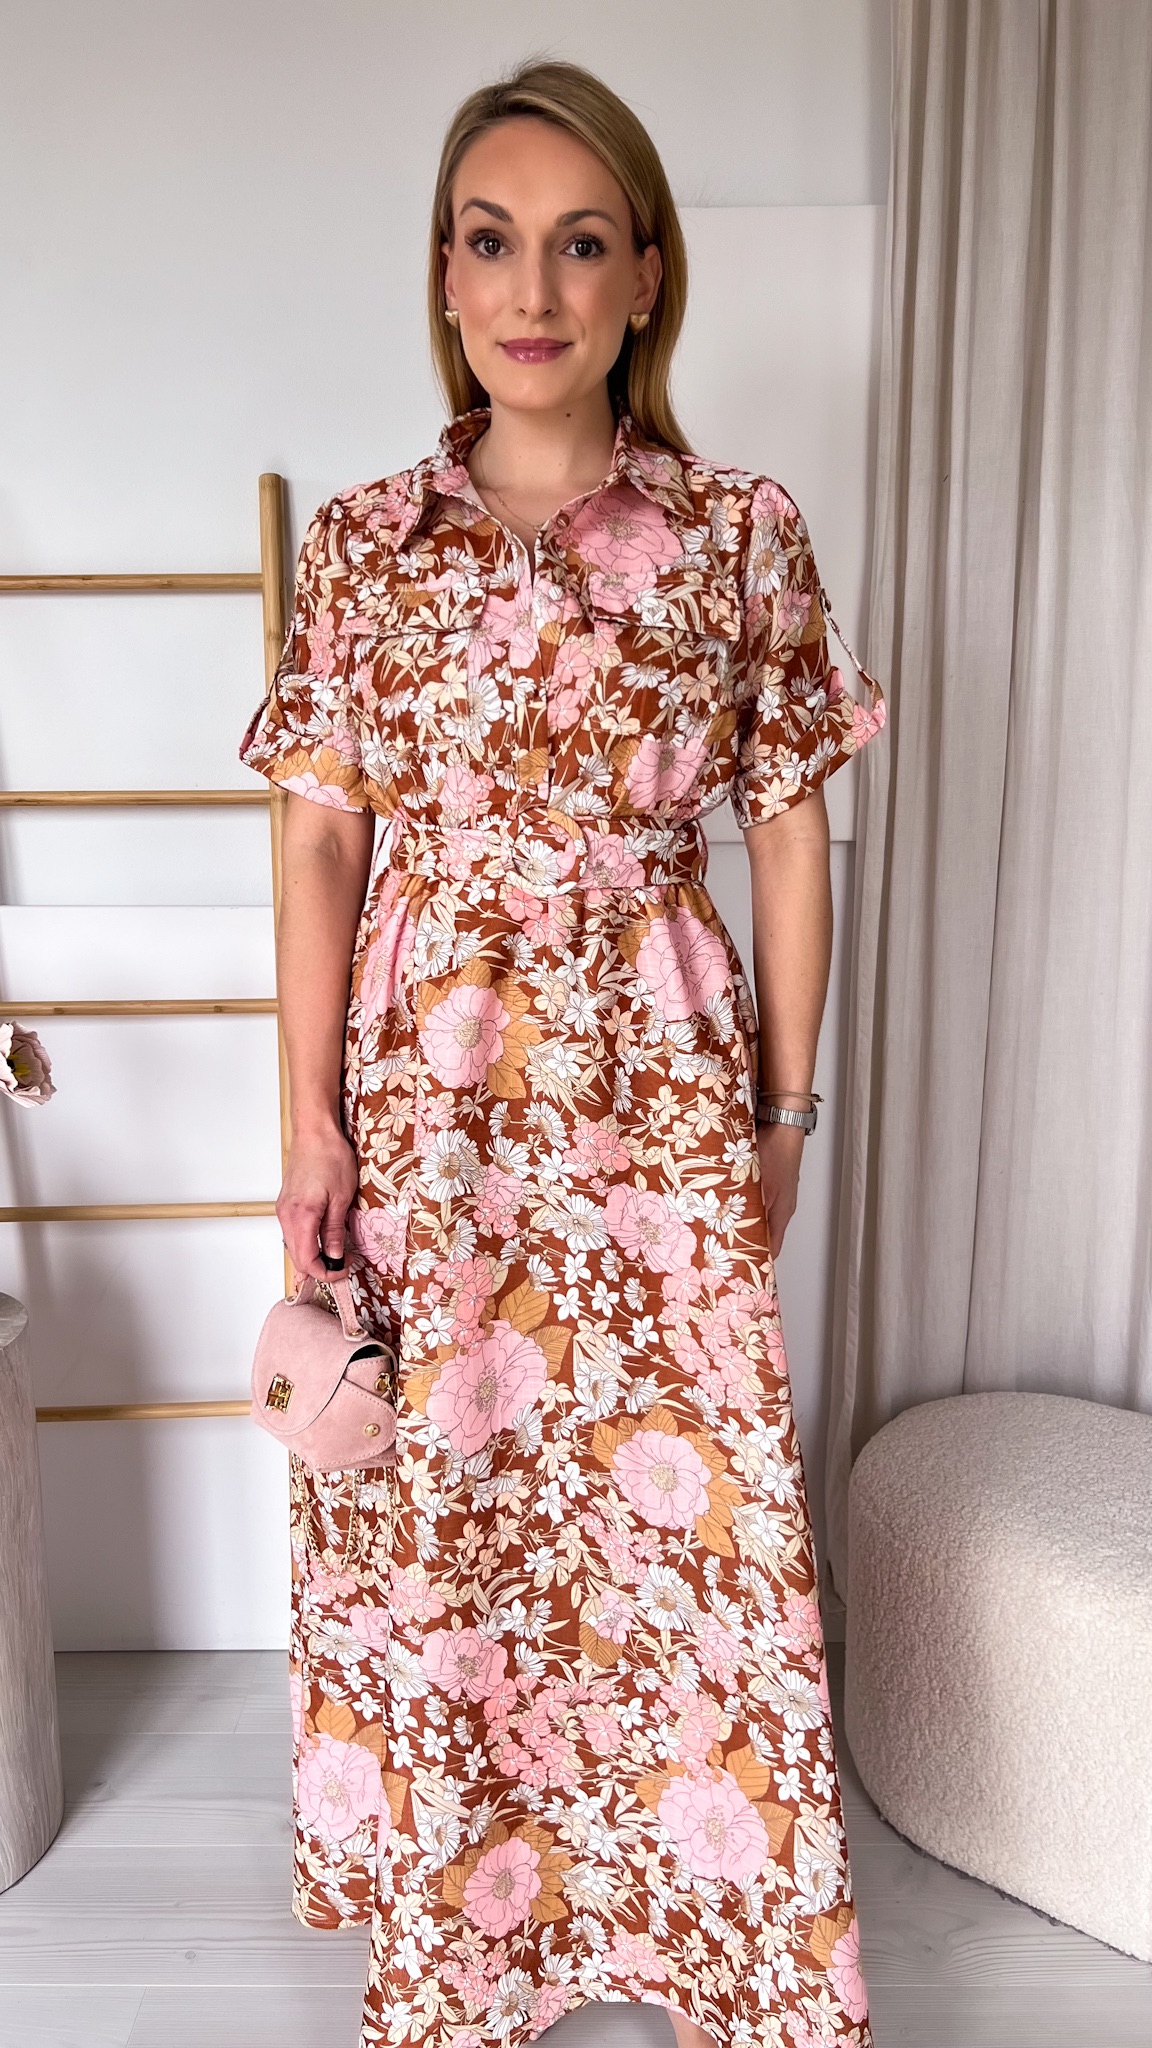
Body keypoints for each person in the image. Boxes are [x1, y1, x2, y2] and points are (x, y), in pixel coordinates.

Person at [240, 57, 884, 2048]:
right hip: (431, 1101)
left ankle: (709, 1936)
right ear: (445, 275)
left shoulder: (739, 531)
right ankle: (478, 1930)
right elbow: (322, 840)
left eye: (582, 242)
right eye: (493, 239)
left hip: (660, 1086)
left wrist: (788, 1103)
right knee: (459, 1496)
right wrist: (309, 1127)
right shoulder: (367, 544)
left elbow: (791, 826)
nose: (534, 288)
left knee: (684, 1509)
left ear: (645, 276)